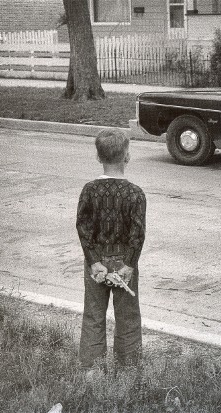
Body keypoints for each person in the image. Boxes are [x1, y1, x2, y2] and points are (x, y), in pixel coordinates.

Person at [76, 128, 146, 371]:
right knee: (127, 318)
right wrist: (129, 264)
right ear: (127, 157)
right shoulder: (135, 194)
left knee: (94, 315)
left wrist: (94, 261)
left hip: (96, 262)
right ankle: (128, 370)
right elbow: (138, 233)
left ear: (98, 157)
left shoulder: (89, 190)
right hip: (123, 262)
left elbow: (83, 227)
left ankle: (92, 371)